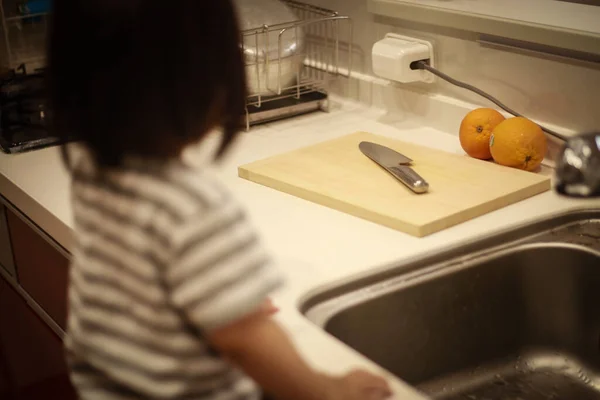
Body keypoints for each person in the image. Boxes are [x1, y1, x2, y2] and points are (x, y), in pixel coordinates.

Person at [46, 1, 393, 399]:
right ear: (206, 76)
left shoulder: (94, 168)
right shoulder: (191, 205)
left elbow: (149, 277)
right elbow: (244, 338)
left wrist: (217, 288)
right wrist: (328, 390)